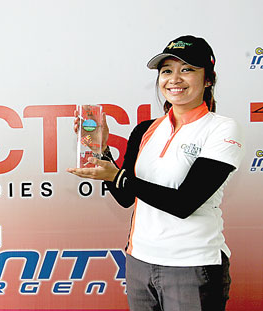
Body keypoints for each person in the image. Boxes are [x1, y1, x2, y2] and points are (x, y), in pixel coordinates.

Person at [67, 35, 244, 311]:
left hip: (192, 266)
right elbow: (126, 197)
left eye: (187, 69)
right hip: (140, 263)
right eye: (167, 71)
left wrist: (117, 176)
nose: (174, 79)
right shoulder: (145, 130)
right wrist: (102, 151)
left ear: (208, 79)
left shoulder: (221, 129)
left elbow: (185, 203)